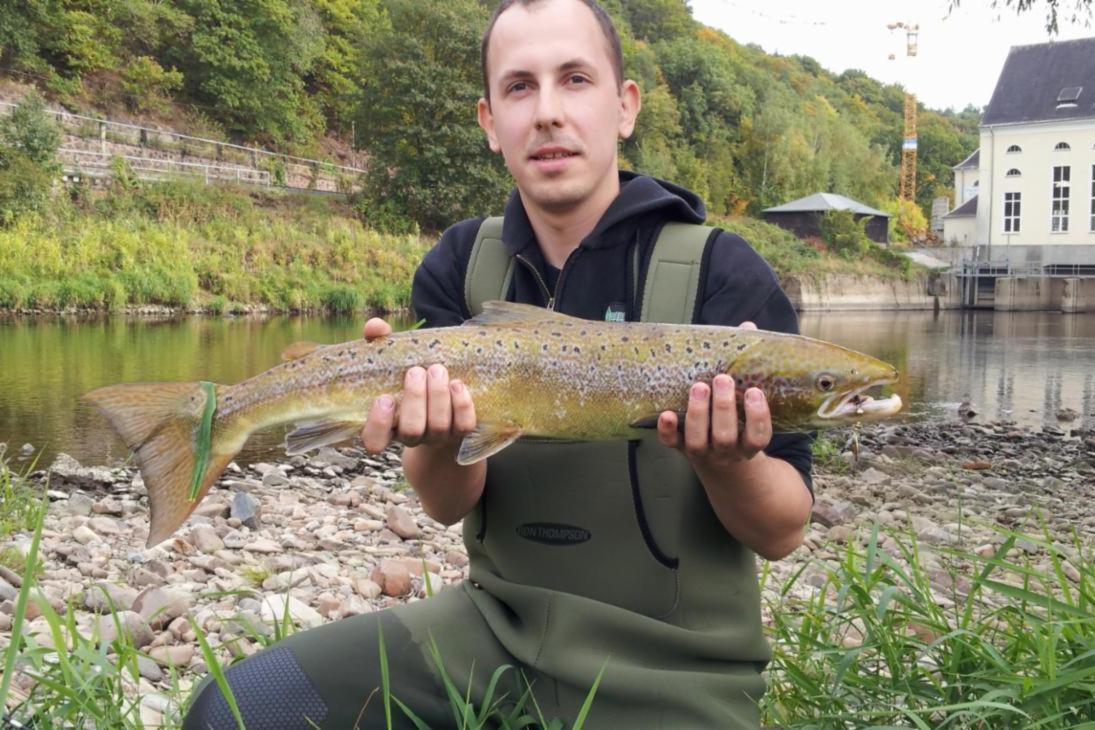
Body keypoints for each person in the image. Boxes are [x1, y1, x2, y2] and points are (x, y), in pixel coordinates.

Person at [183, 0, 813, 727]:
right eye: (520, 87)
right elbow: (448, 503)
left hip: (678, 671)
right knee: (231, 711)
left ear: (624, 105)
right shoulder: (461, 262)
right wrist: (440, 440)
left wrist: (727, 460)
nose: (547, 112)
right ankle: (211, 423)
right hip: (489, 636)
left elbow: (780, 533)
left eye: (574, 79)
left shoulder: (724, 272)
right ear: (489, 122)